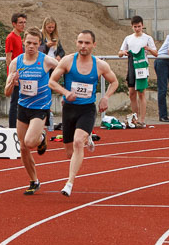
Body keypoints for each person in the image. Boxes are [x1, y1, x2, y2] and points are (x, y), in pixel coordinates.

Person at [49, 30, 119, 197]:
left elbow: (114, 81)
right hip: (69, 109)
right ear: (76, 43)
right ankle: (86, 139)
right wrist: (65, 93)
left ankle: (69, 183)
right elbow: (52, 81)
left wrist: (106, 97)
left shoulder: (100, 65)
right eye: (80, 42)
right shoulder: (67, 61)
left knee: (78, 142)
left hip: (87, 109)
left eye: (87, 43)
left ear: (94, 45)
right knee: (69, 151)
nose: (83, 46)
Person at [5, 27, 59, 195]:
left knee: (29, 142)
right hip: (23, 107)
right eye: (28, 43)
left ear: (40, 44)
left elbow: (65, 68)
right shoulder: (16, 62)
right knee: (23, 148)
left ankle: (41, 136)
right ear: (23, 42)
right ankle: (34, 180)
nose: (31, 46)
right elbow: (6, 92)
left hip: (40, 108)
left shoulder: (47, 61)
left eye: (34, 44)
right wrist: (12, 83)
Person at [117, 15, 158, 126]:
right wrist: (123, 53)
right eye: (135, 27)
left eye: (139, 26)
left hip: (142, 67)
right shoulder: (128, 38)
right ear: (132, 27)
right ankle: (134, 118)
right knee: (131, 93)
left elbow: (156, 53)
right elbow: (120, 53)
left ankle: (142, 119)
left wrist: (149, 49)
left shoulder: (147, 38)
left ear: (142, 26)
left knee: (141, 93)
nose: (137, 29)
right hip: (131, 66)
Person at [5, 12, 26, 128]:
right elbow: (8, 58)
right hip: (15, 75)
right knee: (14, 102)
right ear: (14, 24)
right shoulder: (11, 37)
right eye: (20, 23)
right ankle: (12, 127)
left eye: (24, 22)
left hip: (22, 73)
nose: (23, 25)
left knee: (20, 101)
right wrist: (12, 76)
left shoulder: (20, 37)